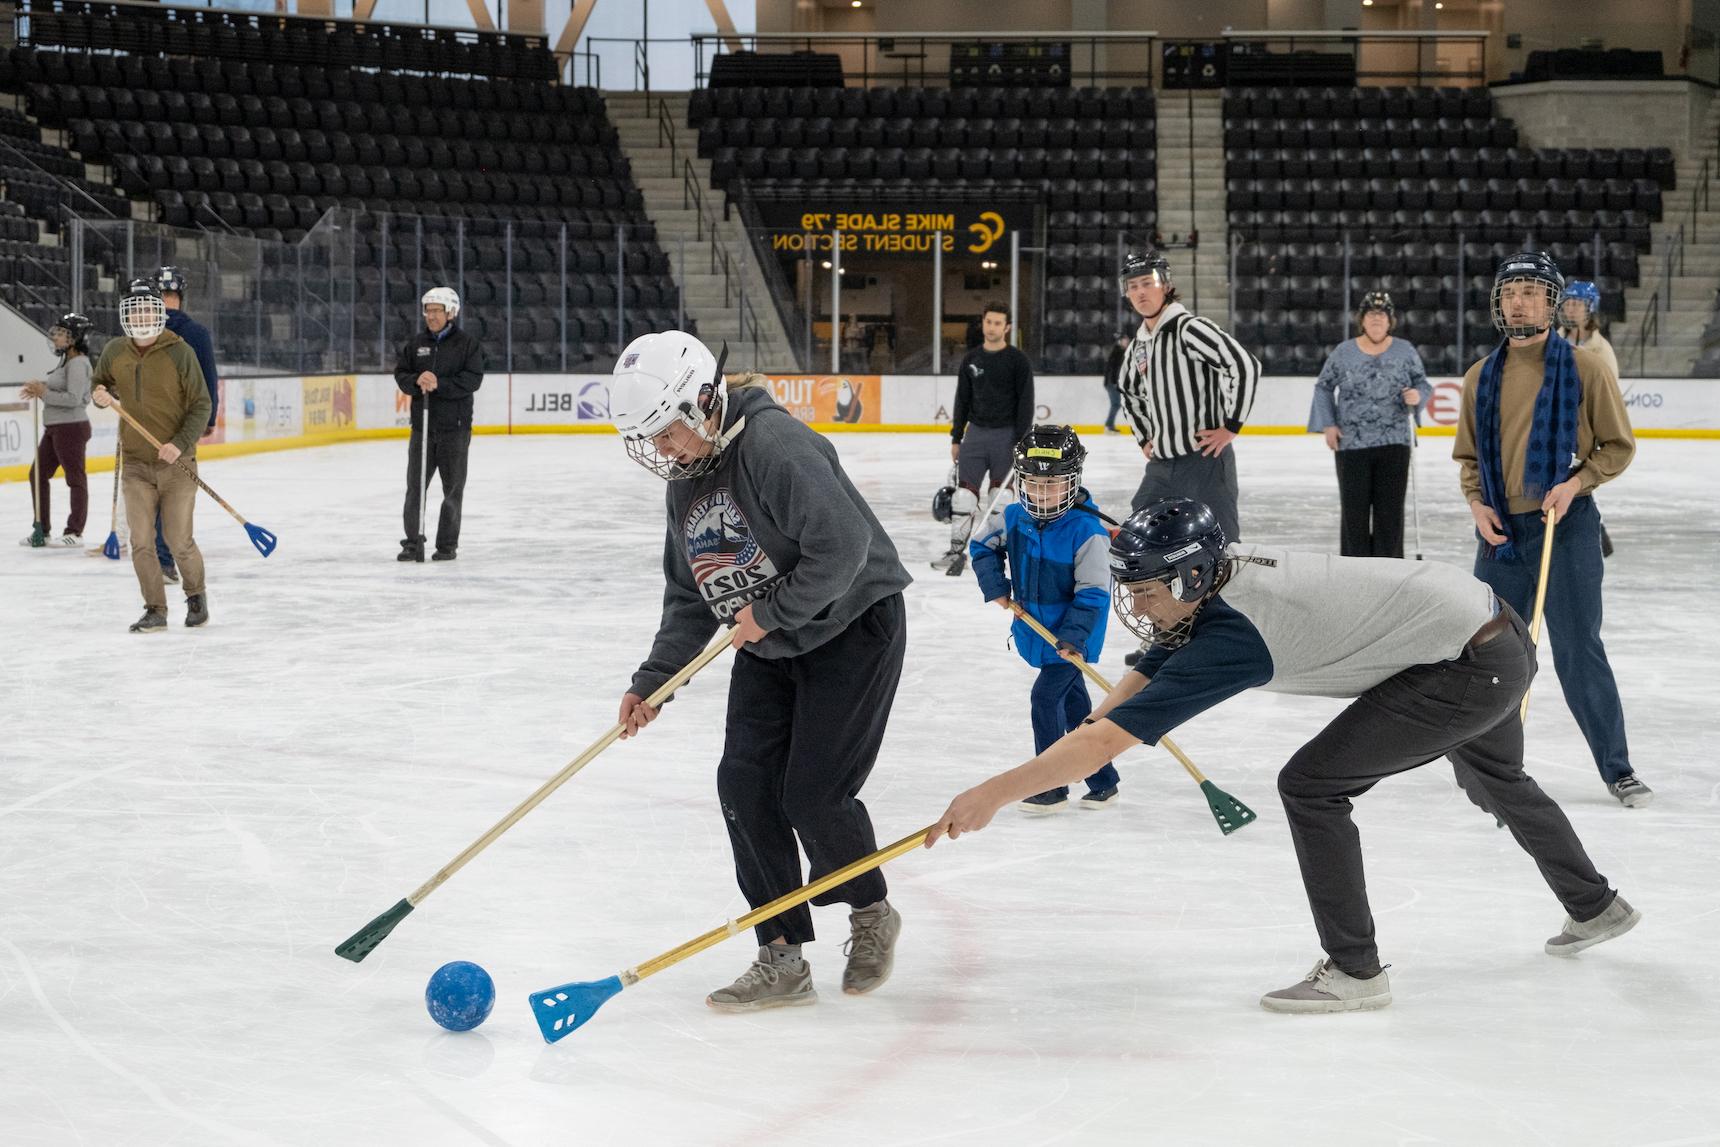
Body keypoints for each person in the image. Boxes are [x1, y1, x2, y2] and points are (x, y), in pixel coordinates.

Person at [925, 497, 1642, 1013]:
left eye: (1144, 589)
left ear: (1188, 578)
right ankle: (1596, 904)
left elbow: (1103, 744)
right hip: (1482, 630)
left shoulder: (1233, 634)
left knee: (1311, 785)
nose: (1136, 604)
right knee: (1498, 777)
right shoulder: (1214, 582)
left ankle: (1356, 970)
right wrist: (1064, 747)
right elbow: (1125, 695)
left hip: (1466, 662)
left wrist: (995, 791)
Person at [609, 339, 913, 1012]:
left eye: (667, 430)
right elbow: (692, 595)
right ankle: (781, 952)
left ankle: (871, 912)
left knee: (813, 793)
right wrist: (655, 679)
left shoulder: (772, 444)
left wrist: (771, 612)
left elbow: (843, 546)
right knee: (743, 785)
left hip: (853, 625)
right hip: (772, 642)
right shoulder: (687, 479)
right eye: (649, 438)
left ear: (703, 401)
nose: (662, 449)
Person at [1454, 252, 1646, 807]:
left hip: (1567, 525)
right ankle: (1485, 771)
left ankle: (1618, 769)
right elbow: (1469, 458)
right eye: (1510, 291)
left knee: (1579, 648)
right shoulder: (1479, 376)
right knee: (1486, 655)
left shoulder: (1587, 369)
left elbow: (1618, 446)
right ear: (1498, 302)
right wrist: (1476, 504)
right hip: (1499, 535)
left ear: (1552, 303)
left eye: (1532, 291)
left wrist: (1577, 482)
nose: (1519, 300)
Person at [970, 425, 1119, 813]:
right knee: (1075, 708)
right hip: (1036, 632)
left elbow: (1094, 593)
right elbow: (981, 546)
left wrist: (1073, 636)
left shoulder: (1087, 531)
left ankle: (1049, 786)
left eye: (1054, 484)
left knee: (1045, 698)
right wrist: (996, 585)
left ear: (1072, 482)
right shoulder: (1014, 516)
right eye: (1034, 483)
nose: (1043, 492)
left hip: (1072, 639)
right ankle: (1103, 781)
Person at [89, 281, 211, 633]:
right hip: (137, 465)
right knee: (141, 542)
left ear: (160, 313)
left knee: (178, 540)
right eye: (135, 309)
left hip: (177, 463)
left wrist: (180, 443)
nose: (141, 316)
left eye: (148, 308)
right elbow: (101, 383)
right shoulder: (115, 350)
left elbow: (201, 403)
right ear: (126, 315)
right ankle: (155, 608)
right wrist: (101, 394)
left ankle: (196, 595)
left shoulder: (180, 351)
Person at [1115, 250, 1259, 542]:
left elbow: (1244, 365)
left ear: (1166, 285)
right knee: (1141, 536)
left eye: (1147, 282)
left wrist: (1231, 427)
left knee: (1221, 542)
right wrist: (1144, 437)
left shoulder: (1189, 329)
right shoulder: (1139, 345)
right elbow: (1128, 392)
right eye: (1132, 286)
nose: (1140, 292)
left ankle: (1227, 590)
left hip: (1204, 461)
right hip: (1161, 466)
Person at [1308, 290, 1434, 557]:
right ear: (1362, 320)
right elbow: (1323, 387)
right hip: (1352, 443)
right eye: (1371, 314)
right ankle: (1355, 570)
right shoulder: (1344, 352)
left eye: (1382, 315)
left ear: (1390, 321)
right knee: (1354, 513)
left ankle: (1389, 568)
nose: (1376, 319)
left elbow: (1422, 384)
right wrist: (1329, 424)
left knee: (1390, 513)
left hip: (1394, 442)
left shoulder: (1405, 350)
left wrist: (1418, 395)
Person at [934, 301, 1034, 572]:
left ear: (1007, 327)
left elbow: (1026, 403)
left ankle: (997, 552)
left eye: (998, 323)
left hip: (1007, 438)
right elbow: (962, 401)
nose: (992, 327)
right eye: (989, 322)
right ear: (983, 323)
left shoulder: (1018, 361)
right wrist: (956, 438)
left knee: (1000, 499)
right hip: (975, 436)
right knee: (963, 497)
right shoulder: (972, 360)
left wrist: (1021, 441)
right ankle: (956, 551)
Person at [393, 287, 484, 562]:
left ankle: (446, 546)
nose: (431, 316)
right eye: (428, 310)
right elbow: (401, 374)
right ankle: (412, 542)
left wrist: (439, 384)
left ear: (450, 312)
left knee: (452, 489)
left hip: (454, 429)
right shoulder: (416, 343)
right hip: (422, 428)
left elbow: (473, 380)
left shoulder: (467, 344)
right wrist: (416, 382)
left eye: (436, 311)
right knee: (415, 487)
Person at [150, 267, 221, 586]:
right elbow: (208, 379)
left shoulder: (140, 330)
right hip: (182, 424)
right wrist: (207, 419)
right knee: (175, 493)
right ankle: (166, 559)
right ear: (181, 296)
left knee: (147, 488)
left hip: (148, 421)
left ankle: (154, 556)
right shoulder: (197, 333)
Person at [18, 313, 94, 549]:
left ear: (74, 338)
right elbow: (59, 390)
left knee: (75, 478)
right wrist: (40, 388)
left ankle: (75, 531)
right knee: (37, 475)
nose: (56, 338)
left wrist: (44, 392)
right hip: (55, 428)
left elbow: (73, 399)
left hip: (71, 428)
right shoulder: (67, 362)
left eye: (62, 334)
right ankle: (41, 528)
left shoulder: (79, 364)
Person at [1555, 280, 1619, 557]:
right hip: (1553, 422)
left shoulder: (1600, 349)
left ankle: (1592, 532)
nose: (1570, 308)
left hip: (1581, 427)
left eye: (1576, 304)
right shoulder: (1553, 340)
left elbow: (1609, 392)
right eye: (1567, 303)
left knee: (1577, 482)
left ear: (1589, 309)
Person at [1102, 329, 1130, 434]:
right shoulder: (1118, 352)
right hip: (1112, 382)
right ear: (1120, 341)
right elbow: (1113, 369)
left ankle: (1109, 425)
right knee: (1116, 404)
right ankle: (1109, 425)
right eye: (1124, 340)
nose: (1126, 342)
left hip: (1111, 382)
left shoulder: (1118, 351)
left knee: (1116, 404)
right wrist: (1114, 382)